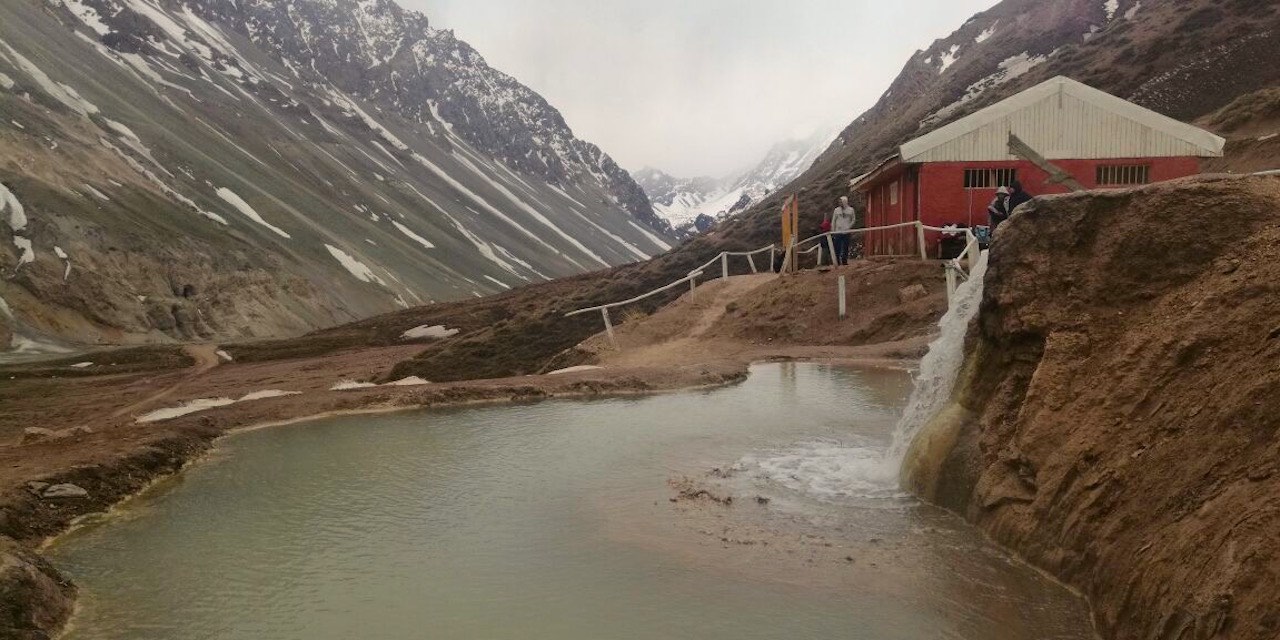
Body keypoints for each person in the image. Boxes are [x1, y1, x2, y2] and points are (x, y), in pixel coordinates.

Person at [831, 196, 856, 266]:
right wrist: (833, 230)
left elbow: (853, 219)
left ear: (845, 202)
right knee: (837, 247)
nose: (840, 203)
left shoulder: (851, 210)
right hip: (838, 231)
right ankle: (837, 261)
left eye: (841, 202)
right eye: (839, 202)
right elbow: (833, 220)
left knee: (845, 247)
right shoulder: (836, 210)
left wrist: (849, 226)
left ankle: (844, 261)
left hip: (846, 231)